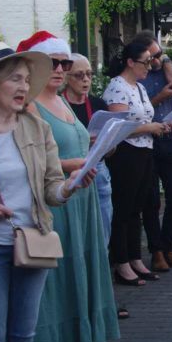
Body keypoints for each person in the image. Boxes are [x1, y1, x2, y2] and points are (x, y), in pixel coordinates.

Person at [0, 42, 97, 342]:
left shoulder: (35, 127)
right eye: (14, 79)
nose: (23, 87)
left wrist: (70, 187)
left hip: (32, 239)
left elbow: (52, 187)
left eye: (25, 80)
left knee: (23, 337)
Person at [18, 33, 119, 342]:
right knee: (52, 281)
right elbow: (28, 159)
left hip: (79, 197)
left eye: (65, 63)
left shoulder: (59, 101)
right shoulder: (29, 106)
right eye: (54, 63)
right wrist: (75, 163)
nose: (62, 70)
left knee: (76, 271)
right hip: (55, 201)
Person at [103, 40, 172, 285]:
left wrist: (160, 126)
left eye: (152, 60)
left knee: (138, 208)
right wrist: (149, 127)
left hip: (145, 151)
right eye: (145, 62)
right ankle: (121, 262)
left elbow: (146, 117)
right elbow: (117, 126)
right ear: (131, 63)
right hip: (126, 153)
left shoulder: (141, 88)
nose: (150, 66)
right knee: (123, 208)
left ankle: (135, 258)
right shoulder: (117, 87)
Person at [136, 31, 172, 272]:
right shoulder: (138, 76)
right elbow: (139, 110)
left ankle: (169, 247)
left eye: (159, 53)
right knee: (151, 201)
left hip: (168, 139)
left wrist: (166, 61)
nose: (156, 60)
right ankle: (156, 251)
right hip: (146, 140)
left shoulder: (165, 68)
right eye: (152, 55)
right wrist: (161, 96)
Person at [62, 53, 112, 243]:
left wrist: (105, 143)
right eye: (79, 75)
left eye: (89, 74)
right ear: (66, 77)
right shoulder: (58, 104)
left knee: (103, 228)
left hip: (97, 168)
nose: (86, 80)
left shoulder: (98, 105)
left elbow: (111, 151)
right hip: (70, 171)